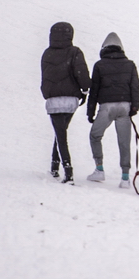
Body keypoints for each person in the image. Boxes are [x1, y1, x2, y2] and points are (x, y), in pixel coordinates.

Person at [85, 32, 139, 188]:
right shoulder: (130, 64)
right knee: (124, 142)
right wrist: (135, 106)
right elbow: (135, 86)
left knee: (95, 136)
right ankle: (125, 178)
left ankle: (99, 168)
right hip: (125, 106)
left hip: (106, 107)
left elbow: (94, 90)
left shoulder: (99, 65)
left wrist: (90, 112)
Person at [40, 22, 91, 184]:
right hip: (71, 100)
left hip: (53, 100)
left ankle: (56, 168)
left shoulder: (47, 53)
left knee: (60, 134)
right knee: (61, 134)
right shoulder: (75, 52)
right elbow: (81, 72)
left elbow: (45, 76)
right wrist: (85, 89)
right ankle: (67, 172)